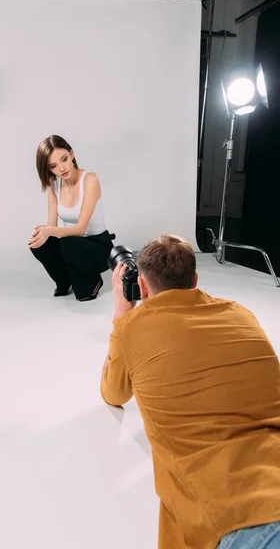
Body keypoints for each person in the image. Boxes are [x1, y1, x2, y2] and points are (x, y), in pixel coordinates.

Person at [101, 234, 280, 549]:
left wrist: (121, 314)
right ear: (195, 280)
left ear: (142, 287)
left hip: (237, 517)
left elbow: (113, 394)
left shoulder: (132, 328)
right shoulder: (240, 314)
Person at [29, 135, 114, 301]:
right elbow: (52, 228)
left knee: (69, 244)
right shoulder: (53, 185)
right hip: (70, 246)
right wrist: (42, 233)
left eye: (64, 159)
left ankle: (93, 280)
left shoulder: (90, 179)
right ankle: (64, 280)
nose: (62, 168)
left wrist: (49, 230)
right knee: (39, 244)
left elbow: (80, 230)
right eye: (53, 166)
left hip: (98, 247)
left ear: (72, 154)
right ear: (48, 169)